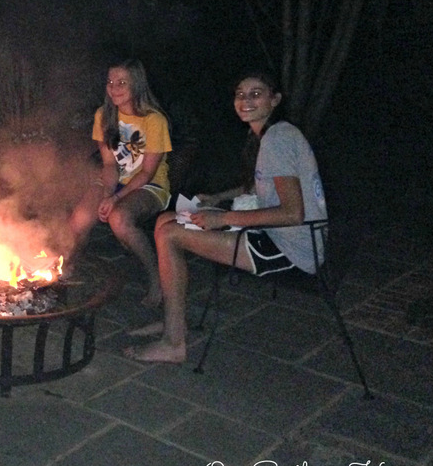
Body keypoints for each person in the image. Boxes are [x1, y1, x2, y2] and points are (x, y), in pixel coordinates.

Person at [126, 71, 328, 363]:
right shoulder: (270, 134)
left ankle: (174, 342)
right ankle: (175, 320)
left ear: (275, 100)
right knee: (164, 220)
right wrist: (219, 199)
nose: (246, 100)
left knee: (169, 234)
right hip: (276, 233)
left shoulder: (278, 141)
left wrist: (222, 218)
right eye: (240, 94)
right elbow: (261, 185)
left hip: (290, 247)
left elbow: (292, 213)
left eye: (256, 94)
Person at [68, 59, 172, 307]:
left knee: (119, 219)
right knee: (80, 217)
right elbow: (109, 165)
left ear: (137, 84)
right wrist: (106, 192)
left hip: (150, 185)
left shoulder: (154, 121)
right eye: (110, 82)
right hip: (114, 181)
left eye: (122, 82)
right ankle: (67, 265)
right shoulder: (104, 116)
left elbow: (147, 173)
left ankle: (157, 279)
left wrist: (114, 199)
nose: (114, 88)